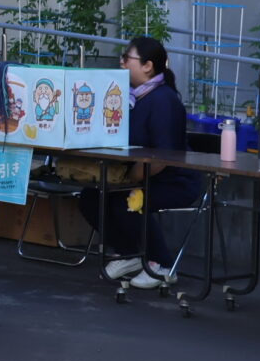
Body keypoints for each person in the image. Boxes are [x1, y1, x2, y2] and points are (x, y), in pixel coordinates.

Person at [78, 36, 201, 290]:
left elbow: (163, 156)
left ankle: (163, 264)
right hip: (143, 173)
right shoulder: (133, 97)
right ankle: (129, 253)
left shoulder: (164, 100)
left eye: (127, 58)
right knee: (90, 197)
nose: (121, 62)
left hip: (173, 180)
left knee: (126, 200)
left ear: (148, 66)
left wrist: (132, 178)